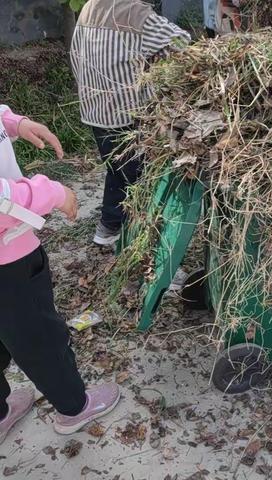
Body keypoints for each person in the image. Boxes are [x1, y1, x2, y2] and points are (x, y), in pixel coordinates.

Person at [0, 105, 120, 445]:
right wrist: (53, 192)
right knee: (38, 335)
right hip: (8, 258)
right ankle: (74, 407)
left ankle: (1, 412)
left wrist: (13, 123)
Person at [70, 0, 191, 246]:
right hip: (129, 117)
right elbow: (183, 44)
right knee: (142, 182)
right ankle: (141, 244)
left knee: (116, 169)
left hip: (95, 112)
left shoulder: (89, 7)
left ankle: (108, 227)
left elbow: (75, 55)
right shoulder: (137, 14)